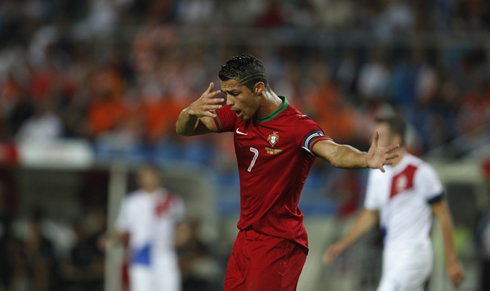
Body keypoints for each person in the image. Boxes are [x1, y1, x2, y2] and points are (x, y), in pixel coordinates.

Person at [175, 54, 399, 291]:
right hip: (246, 237)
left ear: (258, 88)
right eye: (226, 93)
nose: (229, 102)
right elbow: (185, 130)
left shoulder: (296, 126)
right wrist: (190, 111)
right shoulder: (239, 114)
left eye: (235, 93)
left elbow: (334, 152)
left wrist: (365, 158)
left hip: (277, 240)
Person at [324, 115, 466, 291]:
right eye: (372, 136)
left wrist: (451, 261)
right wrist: (342, 244)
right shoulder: (377, 174)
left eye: (380, 136)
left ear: (397, 139)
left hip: (414, 253)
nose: (373, 141)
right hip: (391, 253)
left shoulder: (420, 172)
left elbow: (443, 215)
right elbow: (370, 214)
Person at [111, 164, 186, 291]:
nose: (149, 179)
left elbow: (181, 226)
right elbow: (122, 228)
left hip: (165, 255)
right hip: (141, 255)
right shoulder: (131, 202)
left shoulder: (172, 199)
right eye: (145, 176)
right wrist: (111, 239)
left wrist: (182, 236)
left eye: (152, 176)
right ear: (139, 179)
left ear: (159, 177)